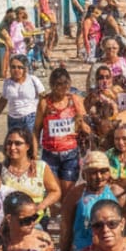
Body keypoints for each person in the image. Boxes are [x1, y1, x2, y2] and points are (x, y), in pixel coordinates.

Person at [59, 151, 124, 251]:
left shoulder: (117, 193)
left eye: (103, 171)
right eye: (93, 172)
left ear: (109, 172)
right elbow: (65, 234)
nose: (99, 177)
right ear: (84, 175)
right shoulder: (76, 195)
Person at [35, 67, 89, 199]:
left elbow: (87, 129)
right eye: (59, 84)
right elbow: (36, 129)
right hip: (49, 154)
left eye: (66, 83)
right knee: (53, 192)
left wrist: (80, 121)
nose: (63, 87)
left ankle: (65, 218)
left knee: (67, 193)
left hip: (70, 154)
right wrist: (34, 153)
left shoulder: (75, 100)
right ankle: (56, 216)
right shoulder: (44, 103)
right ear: (52, 85)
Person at [0, 126, 62, 225]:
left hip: (36, 220)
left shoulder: (40, 167)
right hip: (9, 222)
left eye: (18, 143)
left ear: (28, 146)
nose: (12, 147)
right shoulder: (0, 170)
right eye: (9, 143)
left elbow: (55, 191)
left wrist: (40, 207)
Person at [0, 55, 44, 137]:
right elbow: (3, 100)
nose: (16, 70)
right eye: (13, 67)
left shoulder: (33, 80)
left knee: (30, 142)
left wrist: (43, 115)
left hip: (30, 117)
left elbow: (43, 98)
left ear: (25, 69)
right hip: (13, 119)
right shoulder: (7, 83)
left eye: (20, 67)